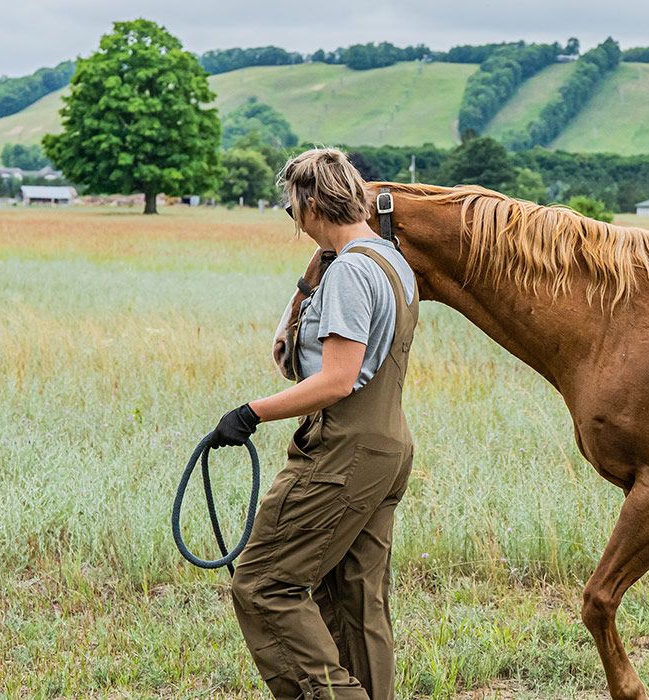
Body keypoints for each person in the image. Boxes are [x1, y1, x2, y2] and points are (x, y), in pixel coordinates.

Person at [206, 147, 417, 700]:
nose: (295, 221)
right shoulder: (391, 260)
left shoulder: (350, 271)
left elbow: (337, 379)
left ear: (312, 202)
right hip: (387, 449)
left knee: (264, 584)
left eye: (292, 208)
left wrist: (250, 413)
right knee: (356, 599)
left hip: (343, 452)